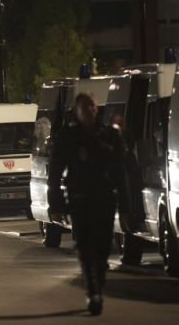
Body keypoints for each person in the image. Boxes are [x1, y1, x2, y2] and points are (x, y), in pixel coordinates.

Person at [47, 93, 130, 316]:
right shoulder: (68, 136)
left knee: (103, 248)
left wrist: (125, 206)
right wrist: (55, 204)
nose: (88, 110)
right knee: (85, 247)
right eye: (83, 107)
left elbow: (121, 173)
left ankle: (98, 282)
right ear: (77, 111)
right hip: (80, 199)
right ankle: (93, 292)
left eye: (91, 106)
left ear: (96, 109)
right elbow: (55, 172)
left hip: (104, 200)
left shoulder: (109, 135)